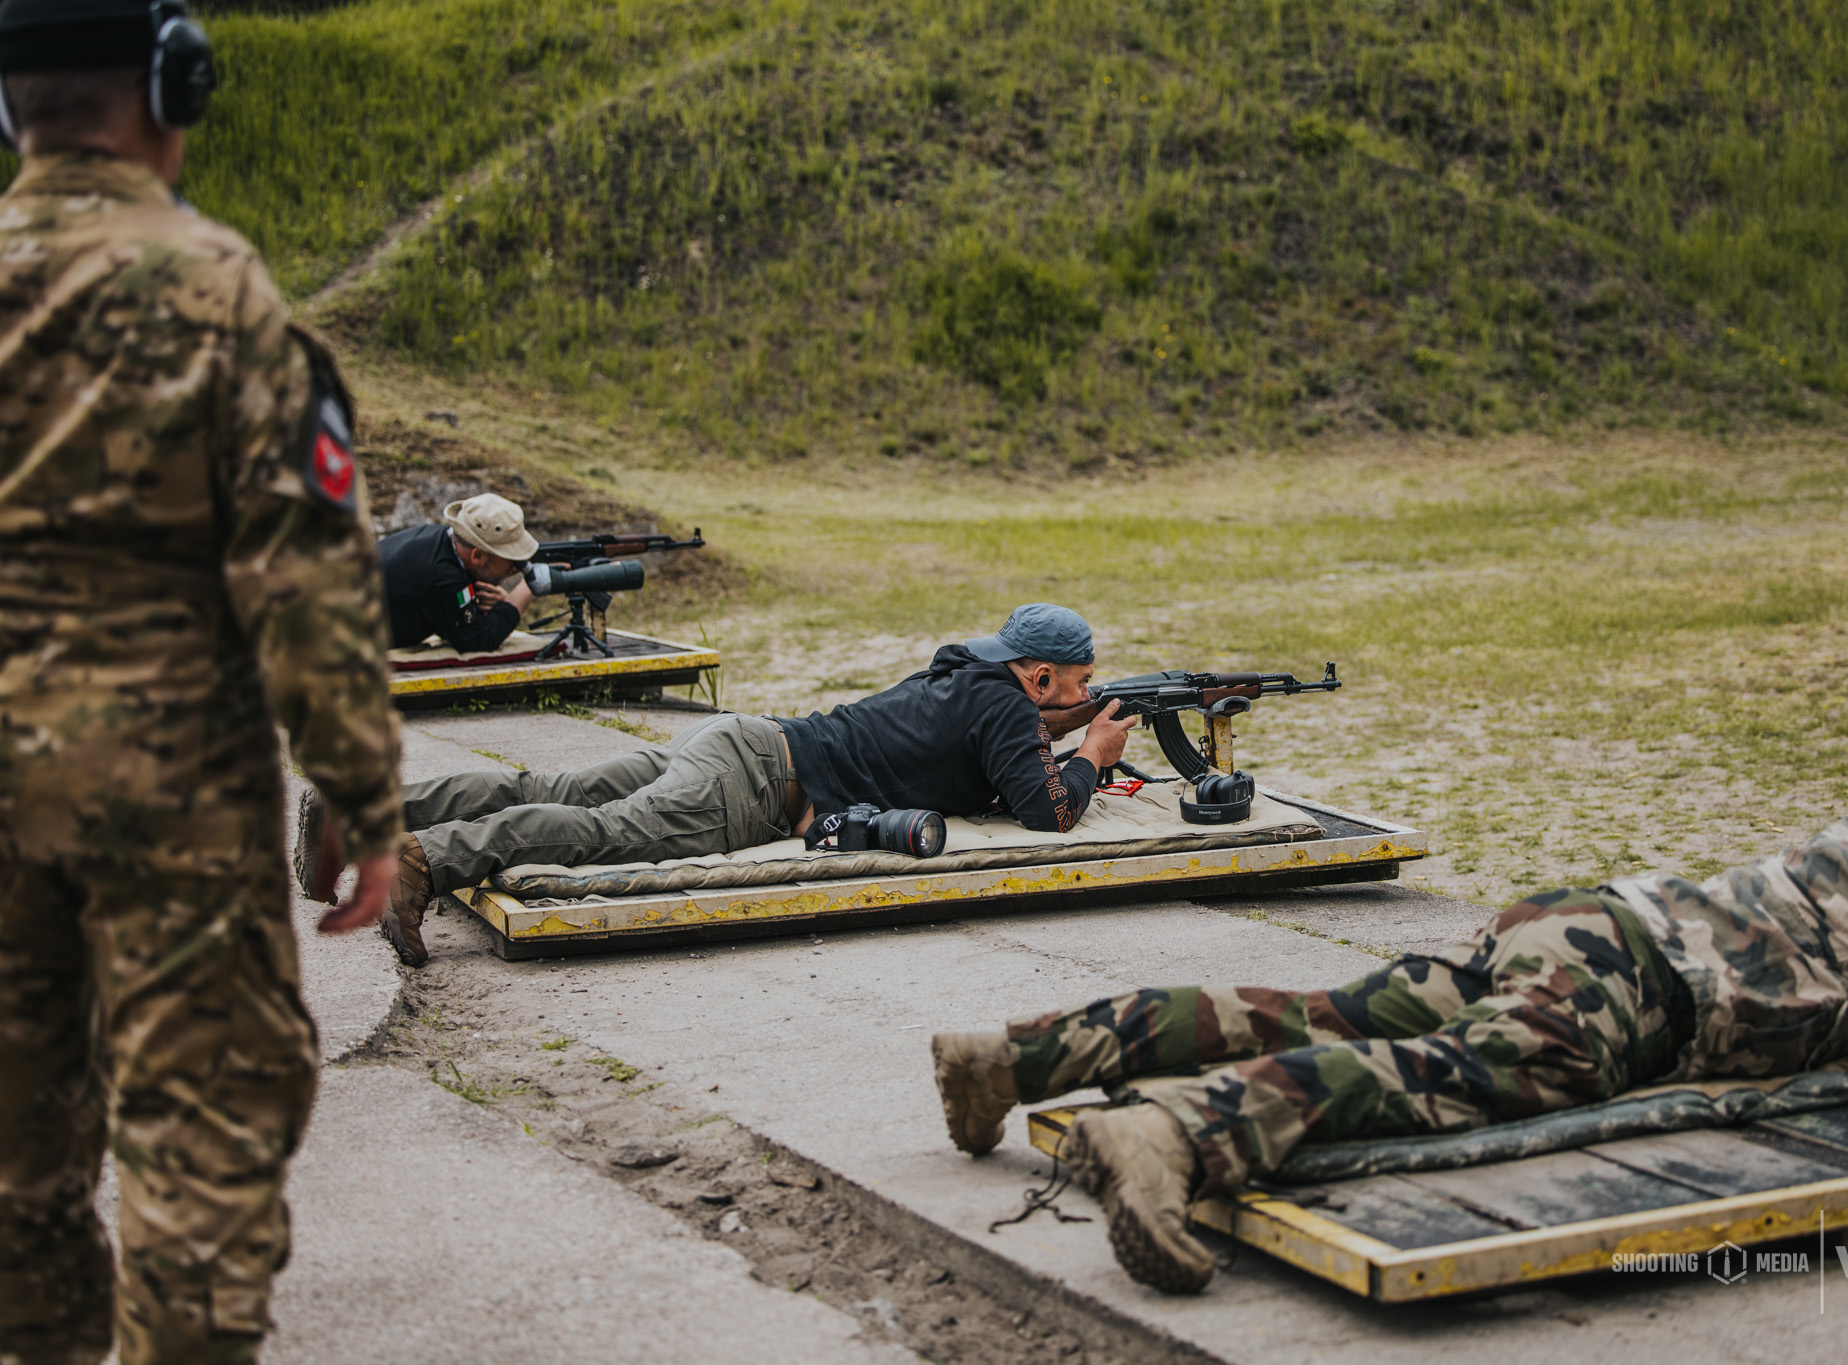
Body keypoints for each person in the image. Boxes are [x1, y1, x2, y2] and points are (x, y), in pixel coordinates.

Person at [931, 752, 1848, 1294]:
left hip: (1588, 925)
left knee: (1312, 1011)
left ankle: (1014, 1056)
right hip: (1647, 993)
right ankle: (1171, 1135)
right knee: (1440, 1076)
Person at [0, 3, 407, 1360]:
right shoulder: (219, 287)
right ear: (173, 88)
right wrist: (357, 789)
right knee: (199, 1170)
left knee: (13, 1192)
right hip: (175, 798)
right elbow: (306, 565)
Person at [297, 602, 1142, 966]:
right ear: (1035, 678)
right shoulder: (1011, 707)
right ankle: (424, 857)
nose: (1083, 694)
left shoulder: (971, 674)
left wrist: (1064, 725)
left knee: (552, 783)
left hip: (740, 739)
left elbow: (995, 735)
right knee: (599, 834)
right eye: (1075, 682)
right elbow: (1048, 810)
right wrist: (1093, 752)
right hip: (751, 786)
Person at [378, 492, 538, 653]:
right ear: (477, 556)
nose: (517, 567)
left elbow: (451, 622)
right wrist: (528, 587)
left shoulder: (441, 542)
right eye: (512, 558)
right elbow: (478, 641)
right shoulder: (440, 575)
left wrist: (498, 607)